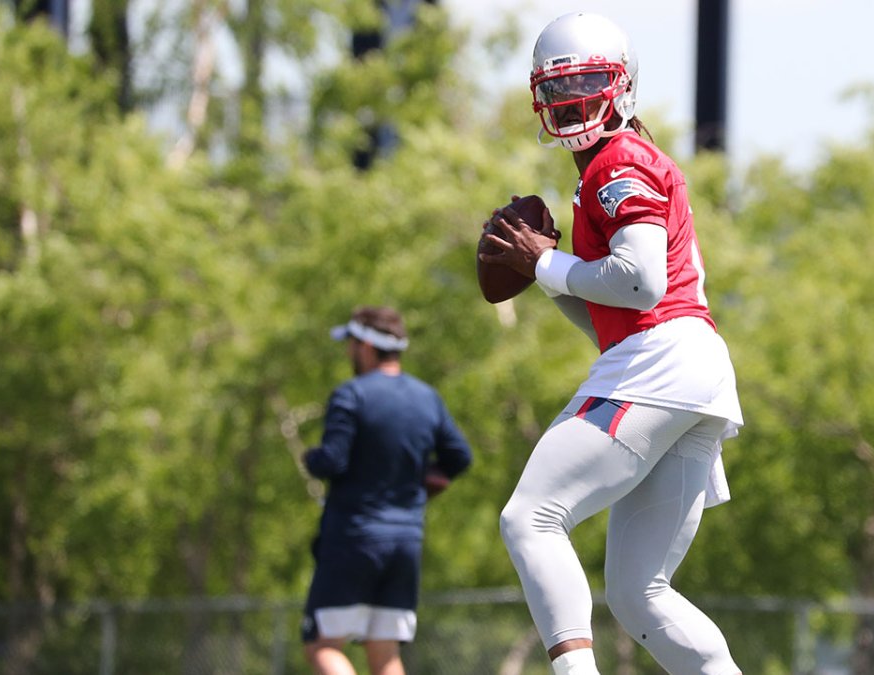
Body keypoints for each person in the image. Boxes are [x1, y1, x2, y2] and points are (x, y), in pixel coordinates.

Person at [478, 12, 744, 675]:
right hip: (689, 367)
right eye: (559, 90)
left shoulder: (618, 160)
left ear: (623, 85)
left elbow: (641, 281)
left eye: (590, 82)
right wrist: (550, 275)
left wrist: (543, 261)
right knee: (640, 593)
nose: (573, 102)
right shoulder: (607, 166)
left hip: (660, 358)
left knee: (530, 516)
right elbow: (609, 314)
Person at [300, 306, 473, 675]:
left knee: (321, 645)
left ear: (365, 345)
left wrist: (310, 457)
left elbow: (333, 461)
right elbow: (459, 457)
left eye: (350, 344)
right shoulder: (427, 397)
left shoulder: (352, 395)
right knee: (385, 653)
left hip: (353, 538)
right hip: (405, 543)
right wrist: (420, 482)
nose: (348, 352)